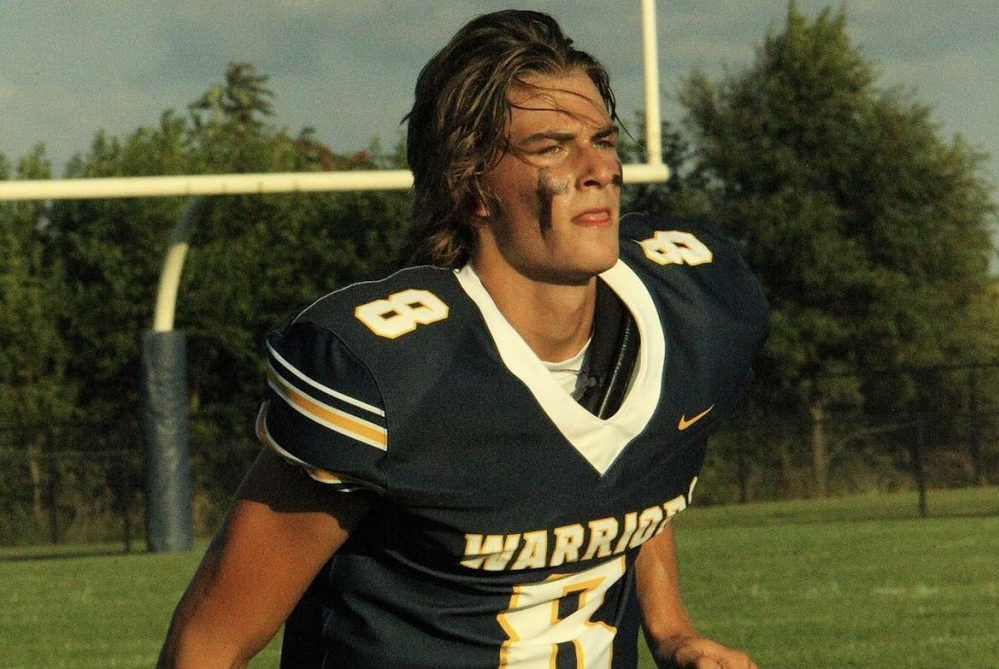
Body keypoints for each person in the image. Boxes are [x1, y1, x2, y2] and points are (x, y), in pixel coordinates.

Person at [157, 9, 769, 669]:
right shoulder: (396, 372)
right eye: (551, 146)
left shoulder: (686, 307)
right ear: (470, 184)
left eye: (602, 138)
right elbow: (210, 640)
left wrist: (671, 629)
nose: (598, 167)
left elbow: (632, 465)